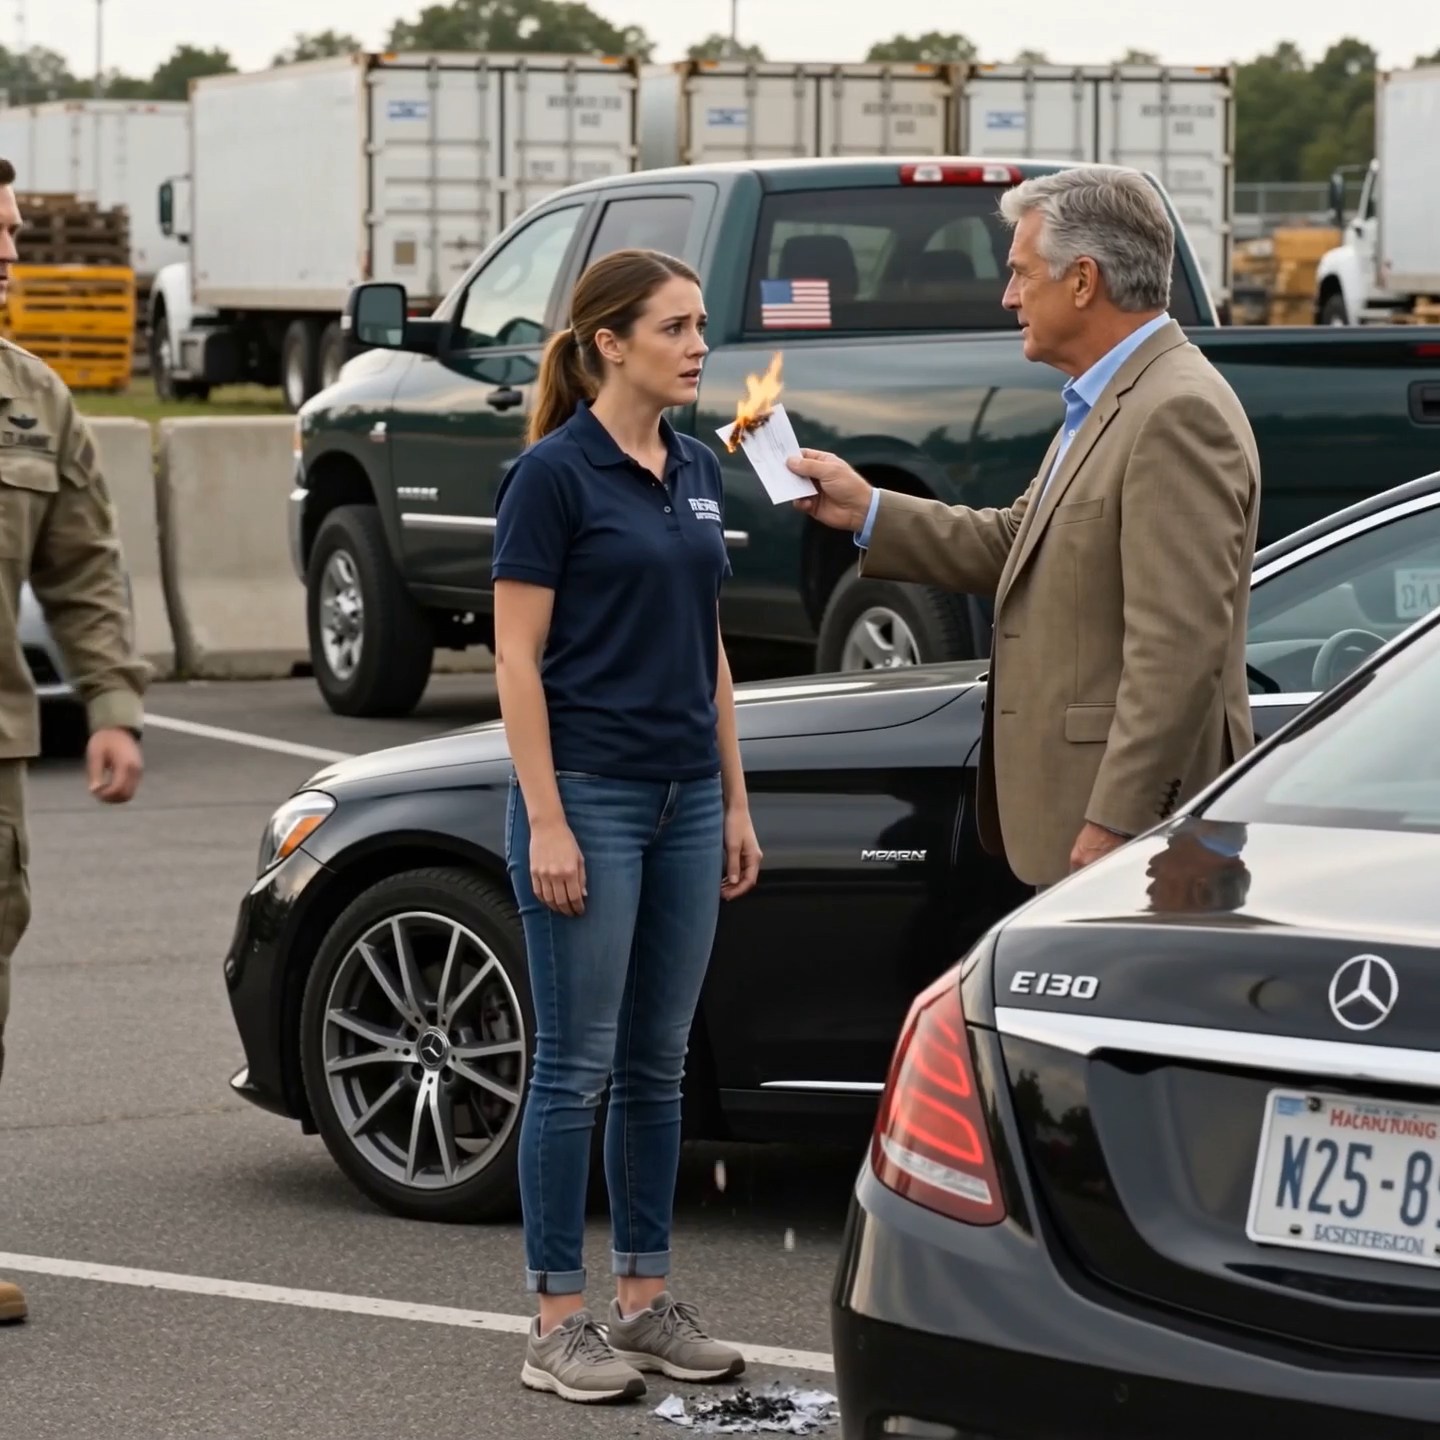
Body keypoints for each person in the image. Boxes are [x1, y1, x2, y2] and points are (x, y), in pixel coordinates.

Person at [788, 165, 1260, 890]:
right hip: (1086, 823)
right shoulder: (1110, 398)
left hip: (1140, 843)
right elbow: (1022, 545)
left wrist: (1118, 822)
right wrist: (867, 509)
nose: (1009, 296)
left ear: (1082, 280)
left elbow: (1178, 647)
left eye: (1020, 274)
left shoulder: (1173, 413)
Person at [491, 247, 762, 1404]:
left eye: (701, 325)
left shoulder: (697, 464)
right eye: (676, 327)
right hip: (588, 798)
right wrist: (547, 818)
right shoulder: (552, 477)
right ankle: (558, 1322)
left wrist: (736, 797)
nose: (699, 345)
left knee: (659, 1066)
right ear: (610, 343)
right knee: (575, 1066)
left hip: (686, 799)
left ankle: (644, 1306)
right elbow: (515, 656)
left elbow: (709, 648)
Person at [0, 158, 148, 1327]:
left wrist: (110, 705)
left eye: (12, 231)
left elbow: (85, 569)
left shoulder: (34, 400)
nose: (10, 252)